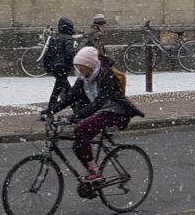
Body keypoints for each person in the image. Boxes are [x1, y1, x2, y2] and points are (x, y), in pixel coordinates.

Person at [54, 46, 144, 193]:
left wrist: (75, 117)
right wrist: (49, 111)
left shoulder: (105, 76)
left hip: (116, 112)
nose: (79, 70)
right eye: (77, 67)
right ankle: (92, 172)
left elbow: (99, 102)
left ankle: (95, 173)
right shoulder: (84, 78)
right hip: (101, 112)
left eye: (81, 67)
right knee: (78, 145)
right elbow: (70, 97)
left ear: (90, 64)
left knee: (81, 129)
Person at [40, 17, 78, 113]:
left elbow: (48, 54)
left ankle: (75, 109)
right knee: (60, 90)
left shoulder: (54, 38)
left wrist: (48, 67)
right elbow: (70, 54)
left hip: (56, 67)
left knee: (63, 88)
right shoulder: (69, 39)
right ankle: (51, 110)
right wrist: (74, 64)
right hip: (63, 67)